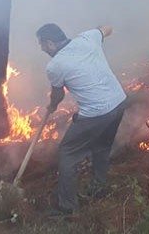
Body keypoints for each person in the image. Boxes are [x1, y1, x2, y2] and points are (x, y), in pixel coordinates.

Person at [36, 23, 127, 216]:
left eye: (42, 44)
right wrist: (101, 31)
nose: (42, 49)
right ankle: (99, 188)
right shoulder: (87, 38)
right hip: (118, 103)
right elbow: (107, 28)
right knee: (102, 146)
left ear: (51, 43)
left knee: (68, 152)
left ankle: (67, 208)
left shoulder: (55, 65)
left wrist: (52, 106)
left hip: (96, 113)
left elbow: (58, 95)